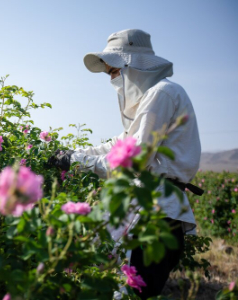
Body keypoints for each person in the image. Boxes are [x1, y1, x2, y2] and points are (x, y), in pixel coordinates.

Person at [48, 29, 203, 299]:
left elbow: (132, 162)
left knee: (132, 293)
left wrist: (76, 161)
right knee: (119, 289)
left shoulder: (162, 94)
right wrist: (71, 154)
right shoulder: (151, 101)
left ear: (132, 65)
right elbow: (116, 145)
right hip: (149, 209)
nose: (112, 80)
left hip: (155, 215)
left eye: (113, 72)